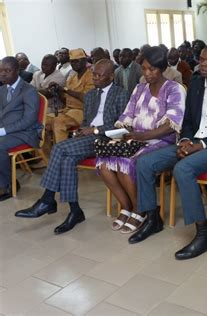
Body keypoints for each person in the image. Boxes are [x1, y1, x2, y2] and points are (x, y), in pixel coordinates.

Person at [128, 42, 207, 262]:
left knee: (183, 169)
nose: (203, 64)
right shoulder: (197, 83)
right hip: (192, 142)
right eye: (201, 59)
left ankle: (203, 233)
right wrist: (187, 140)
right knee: (144, 163)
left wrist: (201, 145)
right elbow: (187, 120)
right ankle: (153, 218)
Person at [14, 60, 129, 233]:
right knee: (67, 160)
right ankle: (75, 211)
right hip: (88, 139)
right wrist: (81, 130)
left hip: (107, 139)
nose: (95, 78)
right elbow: (85, 121)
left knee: (59, 148)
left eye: (99, 75)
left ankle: (47, 199)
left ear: (111, 76)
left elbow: (121, 127)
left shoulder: (121, 94)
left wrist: (96, 130)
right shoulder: (90, 95)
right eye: (94, 74)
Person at [97, 46, 186, 234]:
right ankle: (126, 206)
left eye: (152, 69)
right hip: (136, 138)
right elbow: (127, 114)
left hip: (162, 141)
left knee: (126, 162)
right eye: (144, 69)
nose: (147, 73)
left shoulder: (174, 89)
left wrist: (142, 136)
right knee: (104, 162)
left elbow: (172, 125)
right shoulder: (139, 88)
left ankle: (140, 210)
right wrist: (121, 132)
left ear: (161, 68)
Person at [0, 57, 40, 201]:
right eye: (0, 71)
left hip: (25, 132)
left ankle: (7, 185)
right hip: (6, 131)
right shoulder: (2, 89)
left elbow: (29, 120)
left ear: (17, 71)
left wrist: (3, 130)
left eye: (7, 71)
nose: (2, 74)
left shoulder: (28, 90)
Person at [46, 49, 94, 148]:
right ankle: (46, 158)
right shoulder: (71, 77)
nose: (74, 64)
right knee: (43, 121)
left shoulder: (91, 76)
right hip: (67, 110)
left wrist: (64, 89)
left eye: (77, 61)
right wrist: (57, 90)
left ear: (85, 61)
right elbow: (65, 100)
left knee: (59, 122)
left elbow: (87, 98)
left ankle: (62, 154)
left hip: (82, 112)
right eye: (72, 61)